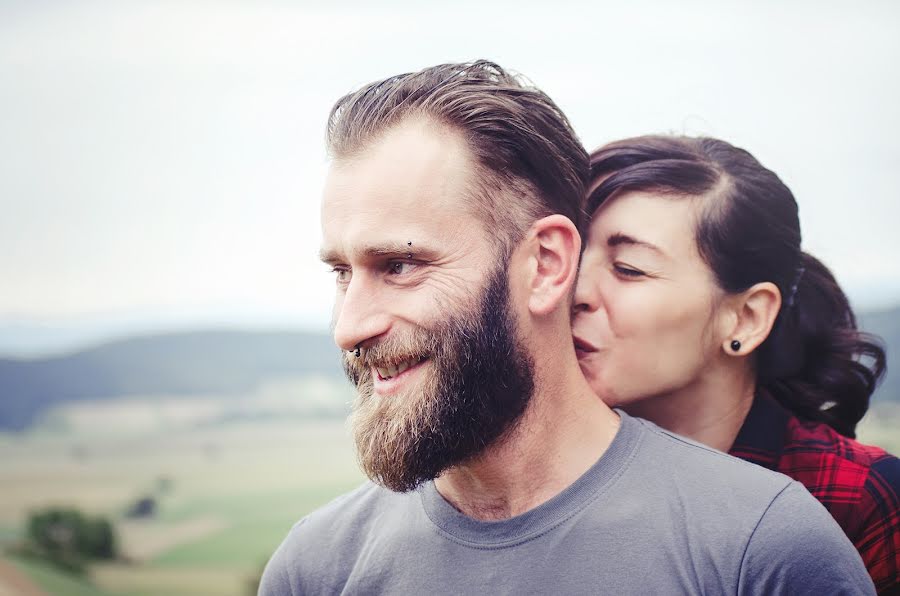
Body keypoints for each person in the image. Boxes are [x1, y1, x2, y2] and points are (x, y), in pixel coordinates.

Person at [260, 61, 873, 595]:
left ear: (544, 263)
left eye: (401, 265)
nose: (348, 328)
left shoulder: (772, 540)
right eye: (341, 271)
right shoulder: (315, 567)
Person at [573, 134, 900, 594]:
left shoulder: (857, 500)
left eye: (628, 267)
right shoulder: (537, 483)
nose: (574, 291)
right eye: (568, 252)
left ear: (746, 317)